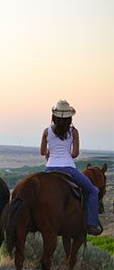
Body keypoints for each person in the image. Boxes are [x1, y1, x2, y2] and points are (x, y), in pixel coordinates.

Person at [40, 100, 102, 235]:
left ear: (54, 116)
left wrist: (51, 153)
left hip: (49, 169)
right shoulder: (74, 132)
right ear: (69, 118)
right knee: (93, 191)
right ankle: (92, 224)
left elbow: (43, 152)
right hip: (68, 168)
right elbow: (75, 154)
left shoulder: (46, 131)